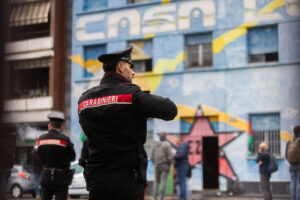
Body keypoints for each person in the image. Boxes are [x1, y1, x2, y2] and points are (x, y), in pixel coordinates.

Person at [78, 46, 178, 200]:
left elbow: (89, 136)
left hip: (97, 179)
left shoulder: (84, 100)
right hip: (127, 180)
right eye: (130, 66)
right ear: (120, 67)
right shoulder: (132, 95)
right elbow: (170, 110)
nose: (133, 72)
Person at [37, 111, 76, 200]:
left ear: (49, 125)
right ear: (61, 126)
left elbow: (39, 157)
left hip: (46, 177)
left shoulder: (41, 140)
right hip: (61, 178)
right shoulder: (65, 140)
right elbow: (72, 157)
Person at [150, 132, 173, 200]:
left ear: (159, 136)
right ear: (165, 137)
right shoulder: (167, 144)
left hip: (157, 165)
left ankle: (154, 197)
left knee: (156, 181)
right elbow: (170, 157)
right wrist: (170, 163)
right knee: (164, 181)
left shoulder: (154, 144)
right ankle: (161, 198)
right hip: (165, 165)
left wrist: (155, 163)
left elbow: (151, 157)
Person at [286, 125, 300, 200]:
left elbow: (286, 155)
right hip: (299, 164)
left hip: (291, 165)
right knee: (299, 183)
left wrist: (291, 161)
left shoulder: (289, 142)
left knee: (293, 182)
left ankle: (293, 198)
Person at [173, 136, 190, 200]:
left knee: (182, 181)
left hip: (181, 166)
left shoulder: (182, 146)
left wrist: (174, 155)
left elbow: (181, 155)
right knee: (181, 181)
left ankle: (182, 197)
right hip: (181, 165)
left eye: (176, 140)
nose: (175, 142)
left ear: (179, 140)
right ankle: (182, 196)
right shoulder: (182, 146)